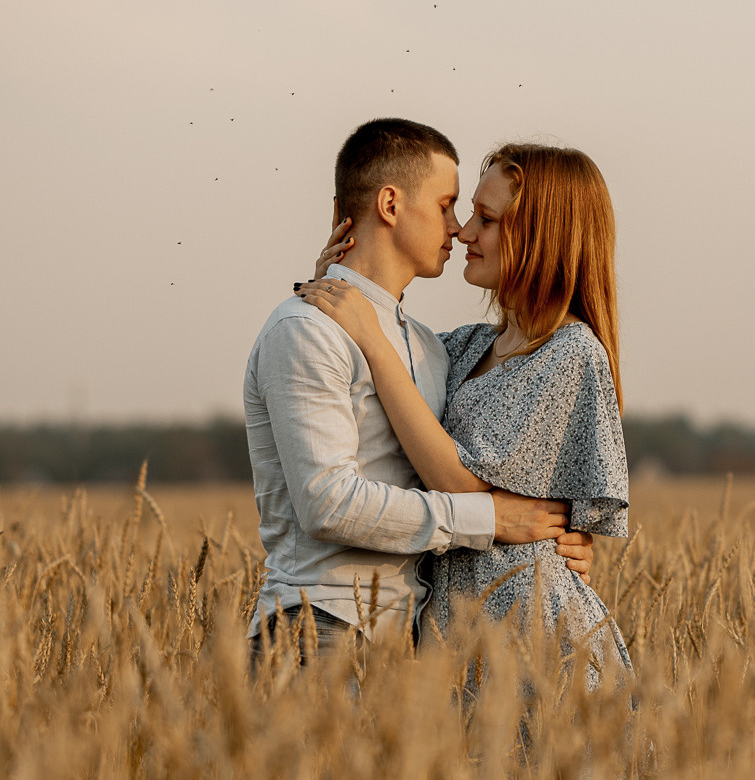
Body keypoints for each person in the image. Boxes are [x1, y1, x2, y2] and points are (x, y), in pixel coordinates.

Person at [243, 119, 594, 660]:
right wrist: (493, 519)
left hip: (408, 642)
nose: (458, 229)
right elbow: (327, 505)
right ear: (390, 205)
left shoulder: (434, 349)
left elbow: (473, 456)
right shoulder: (307, 330)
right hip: (320, 626)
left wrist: (561, 538)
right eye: (446, 206)